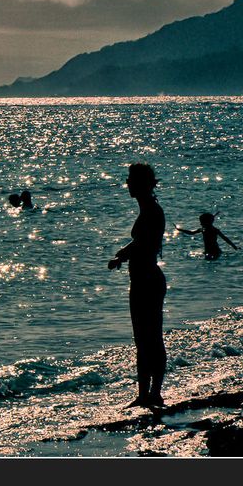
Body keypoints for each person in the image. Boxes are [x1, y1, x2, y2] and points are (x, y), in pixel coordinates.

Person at [107, 163, 167, 410]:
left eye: (131, 180)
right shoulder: (148, 209)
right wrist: (125, 253)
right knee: (143, 339)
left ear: (142, 184)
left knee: (150, 338)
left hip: (148, 280)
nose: (127, 184)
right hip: (143, 279)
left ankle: (154, 393)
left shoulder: (152, 210)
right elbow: (142, 241)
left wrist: (124, 253)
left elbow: (145, 243)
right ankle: (145, 394)